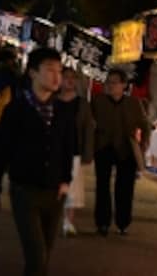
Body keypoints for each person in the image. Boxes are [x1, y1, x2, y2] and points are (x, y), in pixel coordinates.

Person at [0, 47, 75, 276]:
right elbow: (1, 153)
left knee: (44, 255)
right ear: (33, 73)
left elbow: (67, 148)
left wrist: (66, 180)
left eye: (59, 71)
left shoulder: (62, 111)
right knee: (37, 256)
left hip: (54, 191)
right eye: (50, 70)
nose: (56, 76)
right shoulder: (16, 110)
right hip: (25, 190)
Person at [91, 68, 151, 236]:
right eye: (108, 82)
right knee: (102, 186)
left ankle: (123, 222)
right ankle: (102, 222)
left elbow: (145, 125)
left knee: (125, 187)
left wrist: (143, 145)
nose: (111, 86)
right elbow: (89, 122)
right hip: (103, 146)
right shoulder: (98, 101)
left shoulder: (133, 103)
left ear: (124, 85)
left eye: (115, 82)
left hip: (126, 148)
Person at [56, 67, 94, 236]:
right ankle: (55, 218)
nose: (70, 80)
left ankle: (69, 221)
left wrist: (88, 153)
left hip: (75, 150)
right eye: (66, 77)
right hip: (55, 151)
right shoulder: (52, 101)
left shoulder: (82, 104)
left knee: (74, 189)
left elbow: (88, 128)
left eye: (73, 77)